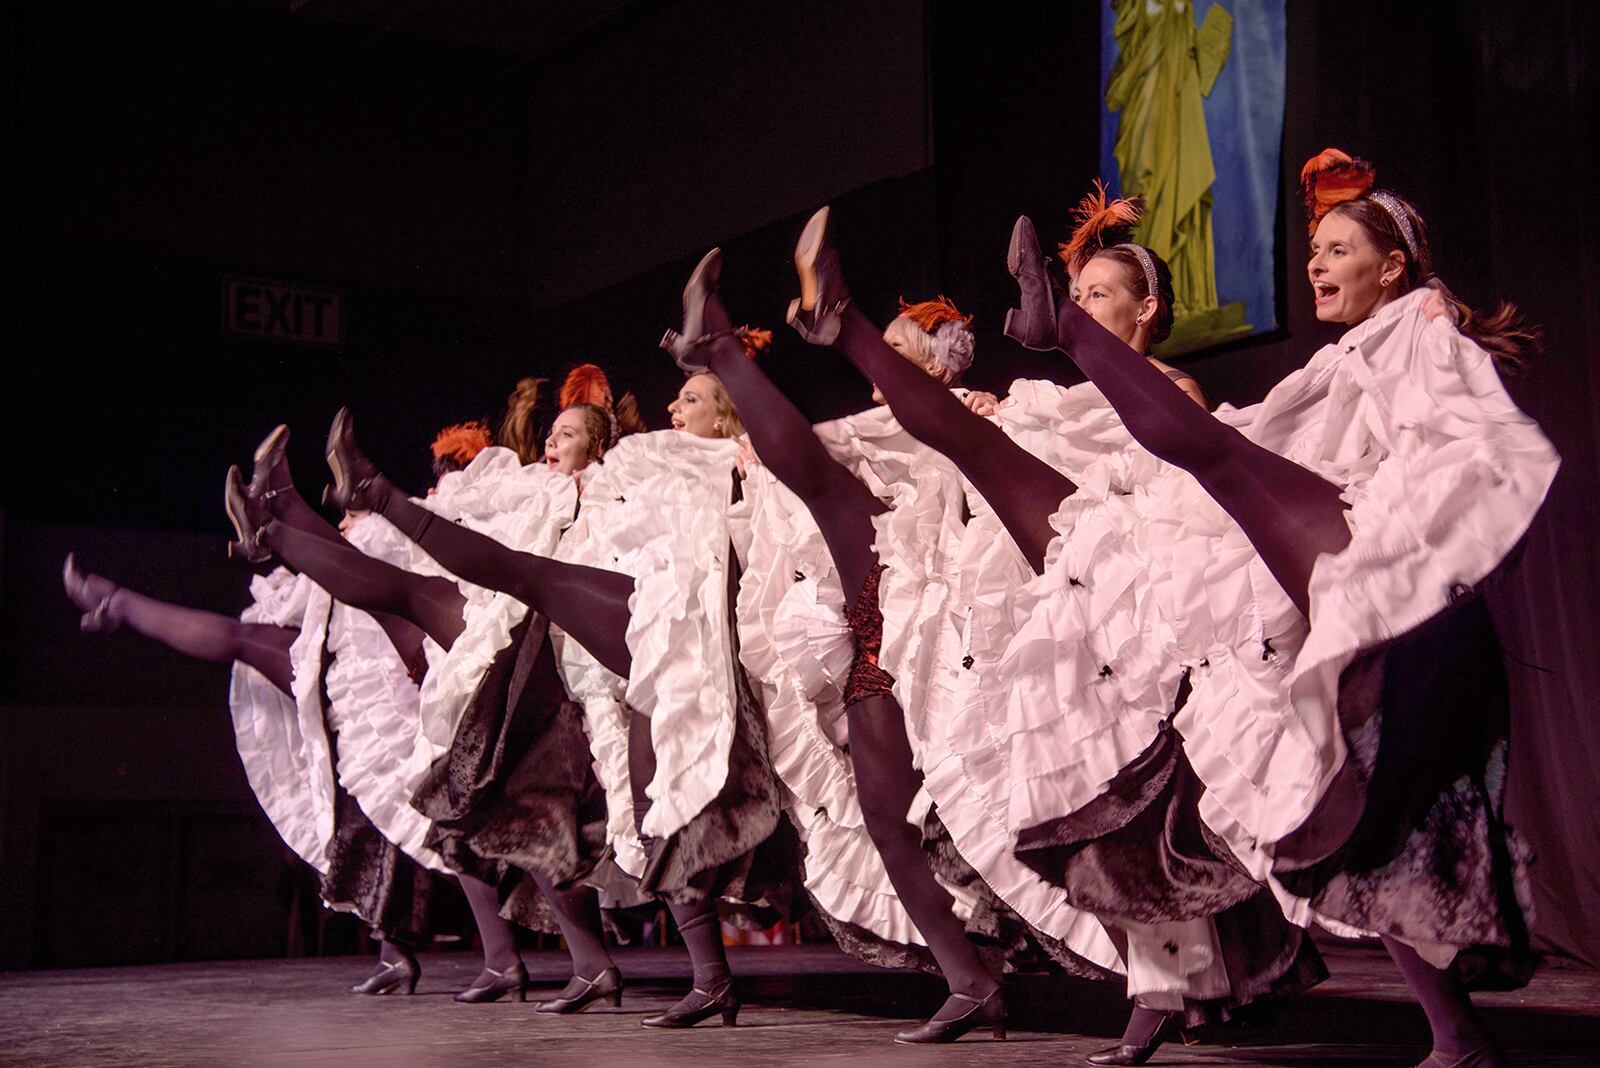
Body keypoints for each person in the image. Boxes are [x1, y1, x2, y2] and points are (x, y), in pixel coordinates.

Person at [998, 148, 1556, 1068]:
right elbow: (1292, 428)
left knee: (1212, 457)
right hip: (1341, 570)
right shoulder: (1358, 348)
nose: (1318, 264)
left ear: (1396, 266)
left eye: (1341, 248)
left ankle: (1063, 330)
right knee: (1346, 818)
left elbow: (1454, 437)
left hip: (1370, 545)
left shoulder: (1418, 322)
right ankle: (1457, 1036)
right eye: (1315, 250)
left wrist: (1420, 540)